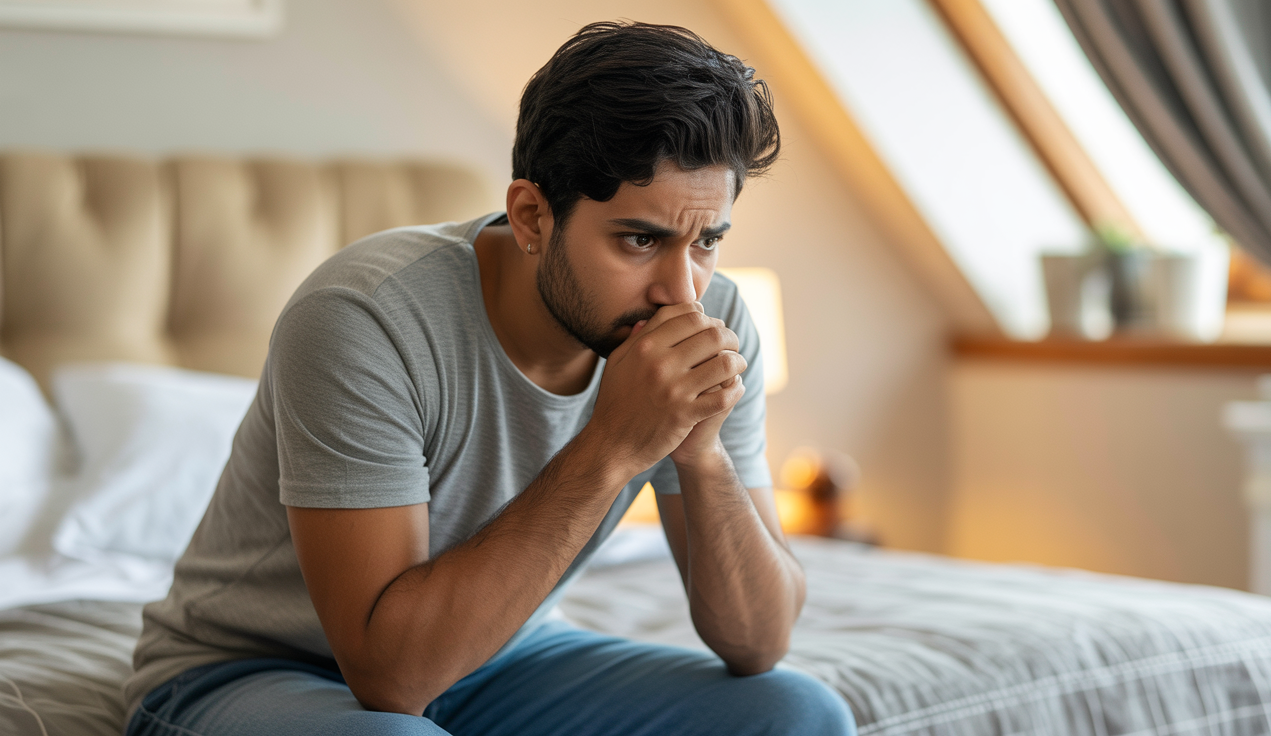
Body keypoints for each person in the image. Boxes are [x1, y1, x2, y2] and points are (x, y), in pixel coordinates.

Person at [122, 20, 857, 736]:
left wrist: (700, 453)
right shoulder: (363, 317)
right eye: (640, 239)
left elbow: (758, 643)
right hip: (254, 670)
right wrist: (614, 445)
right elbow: (391, 680)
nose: (682, 293)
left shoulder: (714, 319)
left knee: (799, 714)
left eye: (707, 242)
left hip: (503, 658)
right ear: (532, 216)